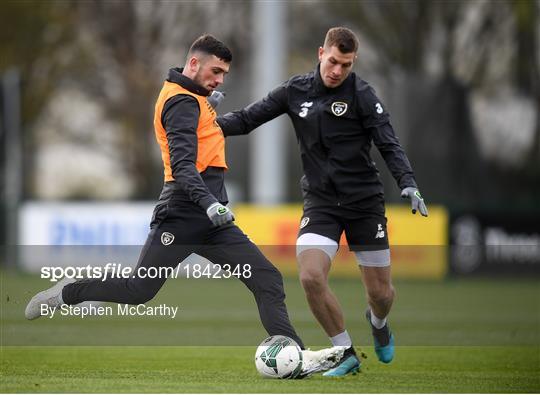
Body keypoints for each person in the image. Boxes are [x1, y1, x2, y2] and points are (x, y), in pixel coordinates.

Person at [25, 34, 344, 377]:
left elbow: (204, 135)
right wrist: (209, 203)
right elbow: (182, 165)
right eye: (216, 71)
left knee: (267, 278)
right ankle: (67, 293)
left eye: (224, 74)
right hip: (182, 214)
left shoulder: (193, 96)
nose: (220, 79)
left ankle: (292, 357)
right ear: (194, 63)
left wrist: (211, 111)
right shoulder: (182, 102)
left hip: (213, 222)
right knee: (139, 290)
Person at [217, 27, 428, 377]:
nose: (337, 71)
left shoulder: (363, 95)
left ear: (352, 63)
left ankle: (378, 322)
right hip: (321, 202)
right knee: (311, 276)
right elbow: (246, 119)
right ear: (320, 53)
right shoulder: (294, 90)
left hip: (364, 203)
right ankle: (344, 351)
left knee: (381, 294)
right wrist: (204, 120)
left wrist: (409, 183)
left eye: (345, 65)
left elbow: (388, 143)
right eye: (332, 62)